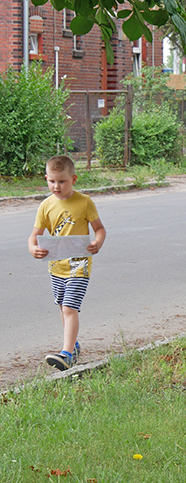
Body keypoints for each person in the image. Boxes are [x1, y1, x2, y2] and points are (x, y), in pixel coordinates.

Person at [28, 155, 106, 371]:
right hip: (56, 267)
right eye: (52, 181)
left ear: (74, 179)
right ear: (46, 179)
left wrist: (97, 243)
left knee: (70, 307)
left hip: (79, 266)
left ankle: (67, 355)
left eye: (62, 181)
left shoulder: (84, 202)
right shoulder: (46, 205)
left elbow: (99, 228)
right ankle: (73, 345)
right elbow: (34, 235)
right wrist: (33, 248)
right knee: (63, 307)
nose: (57, 186)